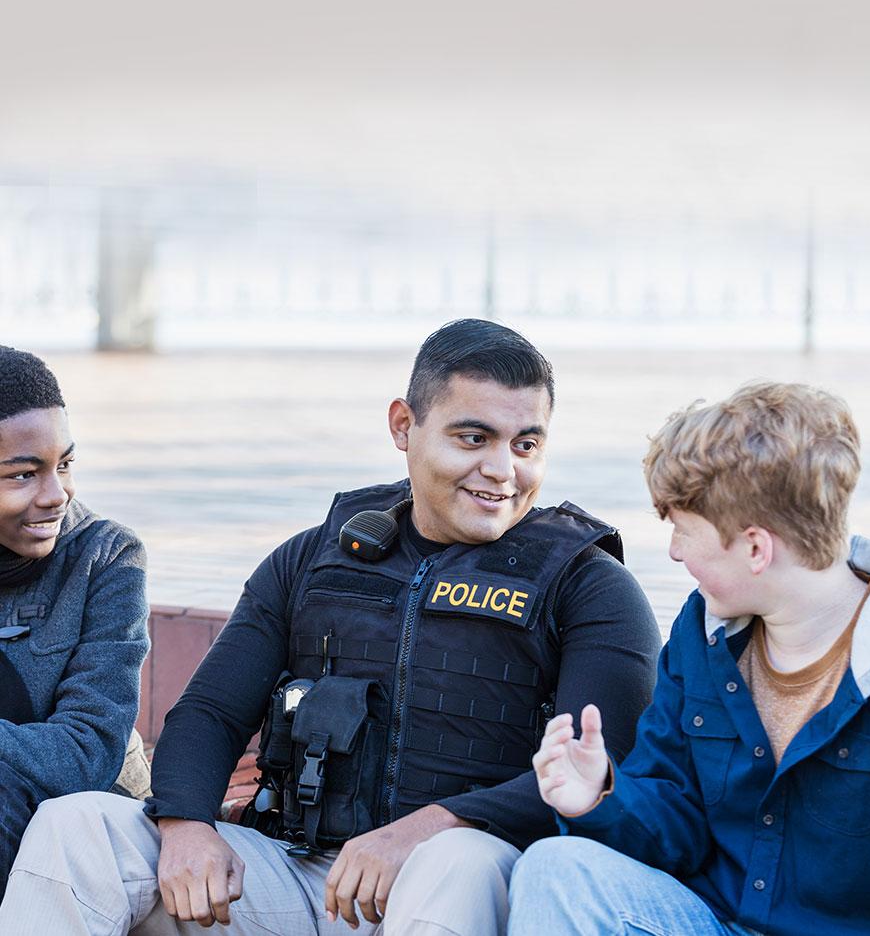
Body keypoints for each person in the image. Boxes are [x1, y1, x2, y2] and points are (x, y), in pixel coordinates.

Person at [2, 319, 661, 935]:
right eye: (473, 438)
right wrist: (185, 824)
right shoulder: (312, 560)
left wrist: (431, 827)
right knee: (77, 825)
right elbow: (208, 714)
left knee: (455, 858)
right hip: (303, 872)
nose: (502, 470)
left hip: (463, 885)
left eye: (526, 444)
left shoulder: (589, 587)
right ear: (404, 425)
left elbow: (601, 770)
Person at [510, 381, 870, 936]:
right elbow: (676, 821)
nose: (674, 551)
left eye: (683, 529)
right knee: (554, 869)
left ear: (755, 548)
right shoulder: (701, 636)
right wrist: (601, 794)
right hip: (710, 921)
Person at [0, 347, 148, 897]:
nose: (56, 495)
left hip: (88, 817)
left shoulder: (106, 556)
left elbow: (88, 752)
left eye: (64, 464)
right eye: (23, 474)